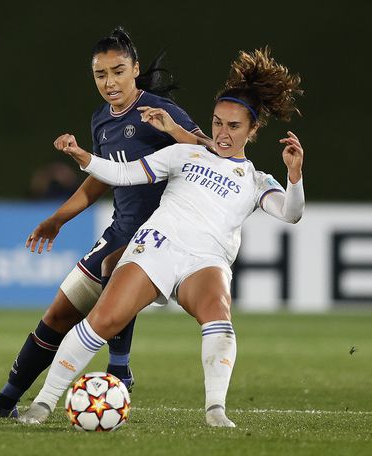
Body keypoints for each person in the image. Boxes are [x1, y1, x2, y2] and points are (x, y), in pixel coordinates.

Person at [18, 47, 305, 427]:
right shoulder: (186, 154)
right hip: (156, 247)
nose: (222, 133)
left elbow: (291, 213)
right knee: (102, 321)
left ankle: (216, 411)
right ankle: (43, 403)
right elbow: (122, 174)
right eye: (217, 123)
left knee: (219, 312)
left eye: (233, 127)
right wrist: (82, 156)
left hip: (205, 259)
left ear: (253, 131)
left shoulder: (256, 181)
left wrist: (294, 175)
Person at [0, 27, 206, 418]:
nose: (110, 82)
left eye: (118, 71)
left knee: (113, 267)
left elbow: (208, 152)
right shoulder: (102, 120)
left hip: (161, 235)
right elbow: (101, 179)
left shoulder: (159, 110)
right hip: (120, 230)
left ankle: (120, 368)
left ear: (135, 69)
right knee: (56, 315)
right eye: (100, 75)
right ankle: (4, 401)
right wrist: (58, 218)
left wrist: (173, 130)